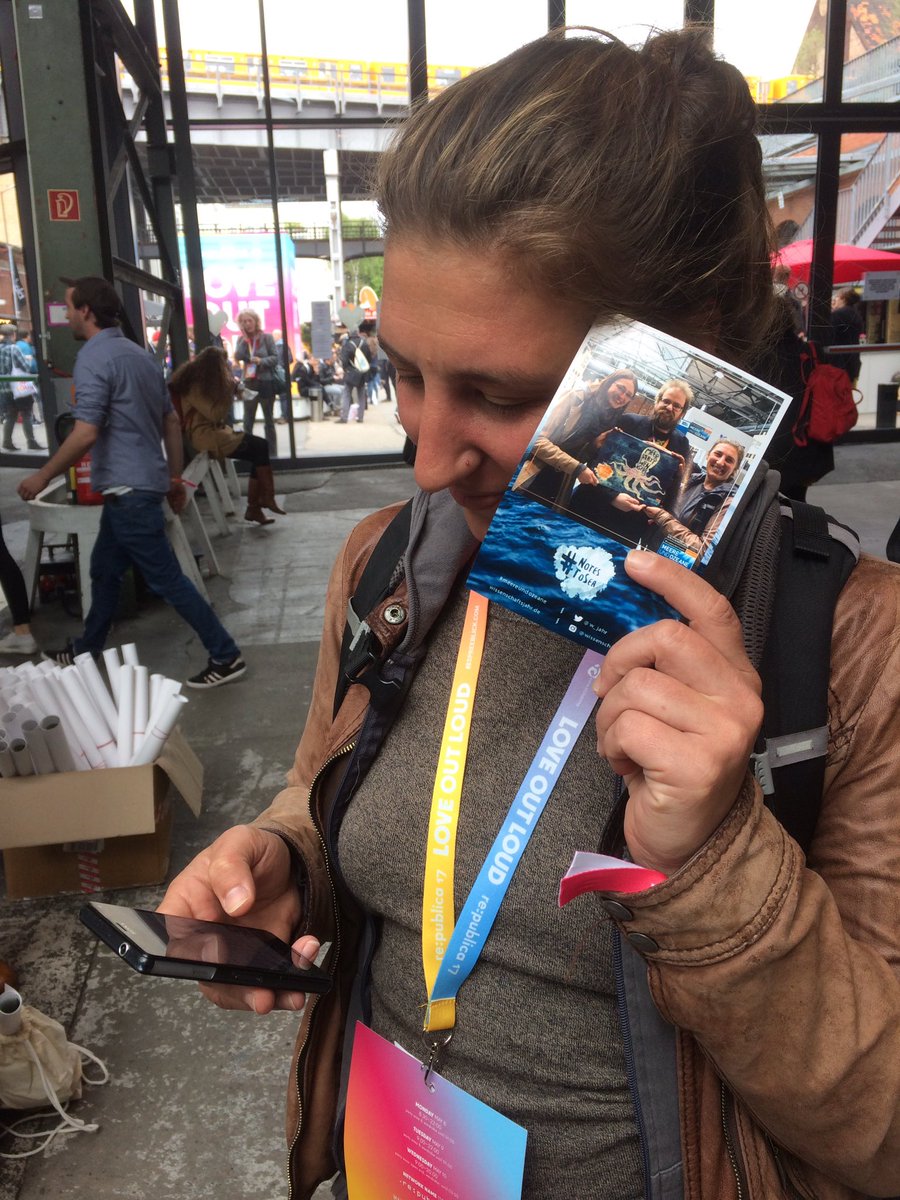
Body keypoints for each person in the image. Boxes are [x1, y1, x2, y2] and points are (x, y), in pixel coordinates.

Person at [161, 29, 900, 1200]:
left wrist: (718, 856)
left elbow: (884, 1133)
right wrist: (286, 855)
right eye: (406, 372)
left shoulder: (855, 653)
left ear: (685, 358)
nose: (426, 458)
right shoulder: (392, 564)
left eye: (499, 395)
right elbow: (328, 784)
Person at [17, 277, 245, 689]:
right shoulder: (141, 357)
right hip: (138, 487)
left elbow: (86, 432)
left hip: (128, 492)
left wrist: (43, 474)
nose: (65, 314)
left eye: (68, 307)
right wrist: (173, 476)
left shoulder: (93, 359)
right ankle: (86, 649)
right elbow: (171, 422)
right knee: (104, 571)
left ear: (86, 311)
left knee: (167, 579)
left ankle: (226, 654)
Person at [169, 347, 286, 526]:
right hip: (206, 436)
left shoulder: (199, 382)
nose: (227, 368)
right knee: (260, 447)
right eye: (224, 365)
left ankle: (258, 504)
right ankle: (262, 501)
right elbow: (215, 414)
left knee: (259, 449)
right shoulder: (194, 387)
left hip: (213, 433)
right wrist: (230, 392)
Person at [513, 369, 639, 506]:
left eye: (628, 395)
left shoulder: (609, 419)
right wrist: (577, 468)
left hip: (560, 483)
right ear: (609, 382)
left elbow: (577, 454)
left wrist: (594, 445)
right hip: (532, 473)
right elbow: (536, 441)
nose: (622, 396)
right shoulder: (576, 398)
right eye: (620, 388)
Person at [643, 438, 744, 555]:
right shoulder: (692, 481)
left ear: (734, 470)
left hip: (676, 562)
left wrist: (661, 517)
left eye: (729, 460)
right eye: (718, 454)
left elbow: (703, 550)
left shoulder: (727, 502)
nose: (721, 462)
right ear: (708, 455)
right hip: (652, 550)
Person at [234, 309, 278, 453]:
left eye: (249, 320)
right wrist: (244, 339)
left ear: (256, 321)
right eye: (244, 321)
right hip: (249, 383)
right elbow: (238, 356)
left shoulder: (267, 338)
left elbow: (275, 358)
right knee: (248, 420)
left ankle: (272, 452)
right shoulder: (241, 339)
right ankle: (249, 452)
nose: (247, 324)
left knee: (269, 419)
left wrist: (261, 361)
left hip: (266, 382)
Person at [0, 324, 41, 452]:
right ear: (13, 335)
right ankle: (31, 442)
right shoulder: (14, 348)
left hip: (4, 388)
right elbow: (25, 367)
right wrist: (28, 359)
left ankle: (7, 442)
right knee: (27, 413)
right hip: (18, 387)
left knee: (11, 415)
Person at [826, 287, 865, 385]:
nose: (834, 300)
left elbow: (828, 335)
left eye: (836, 297)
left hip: (838, 364)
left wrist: (832, 312)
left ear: (843, 298)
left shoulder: (837, 315)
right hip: (853, 363)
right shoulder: (856, 314)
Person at [338, 327, 372, 422]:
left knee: (346, 394)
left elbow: (344, 360)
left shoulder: (347, 345)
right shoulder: (364, 344)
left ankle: (344, 417)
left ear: (349, 333)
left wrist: (346, 369)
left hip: (350, 372)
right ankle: (360, 417)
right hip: (362, 372)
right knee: (361, 395)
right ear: (358, 333)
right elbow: (369, 358)